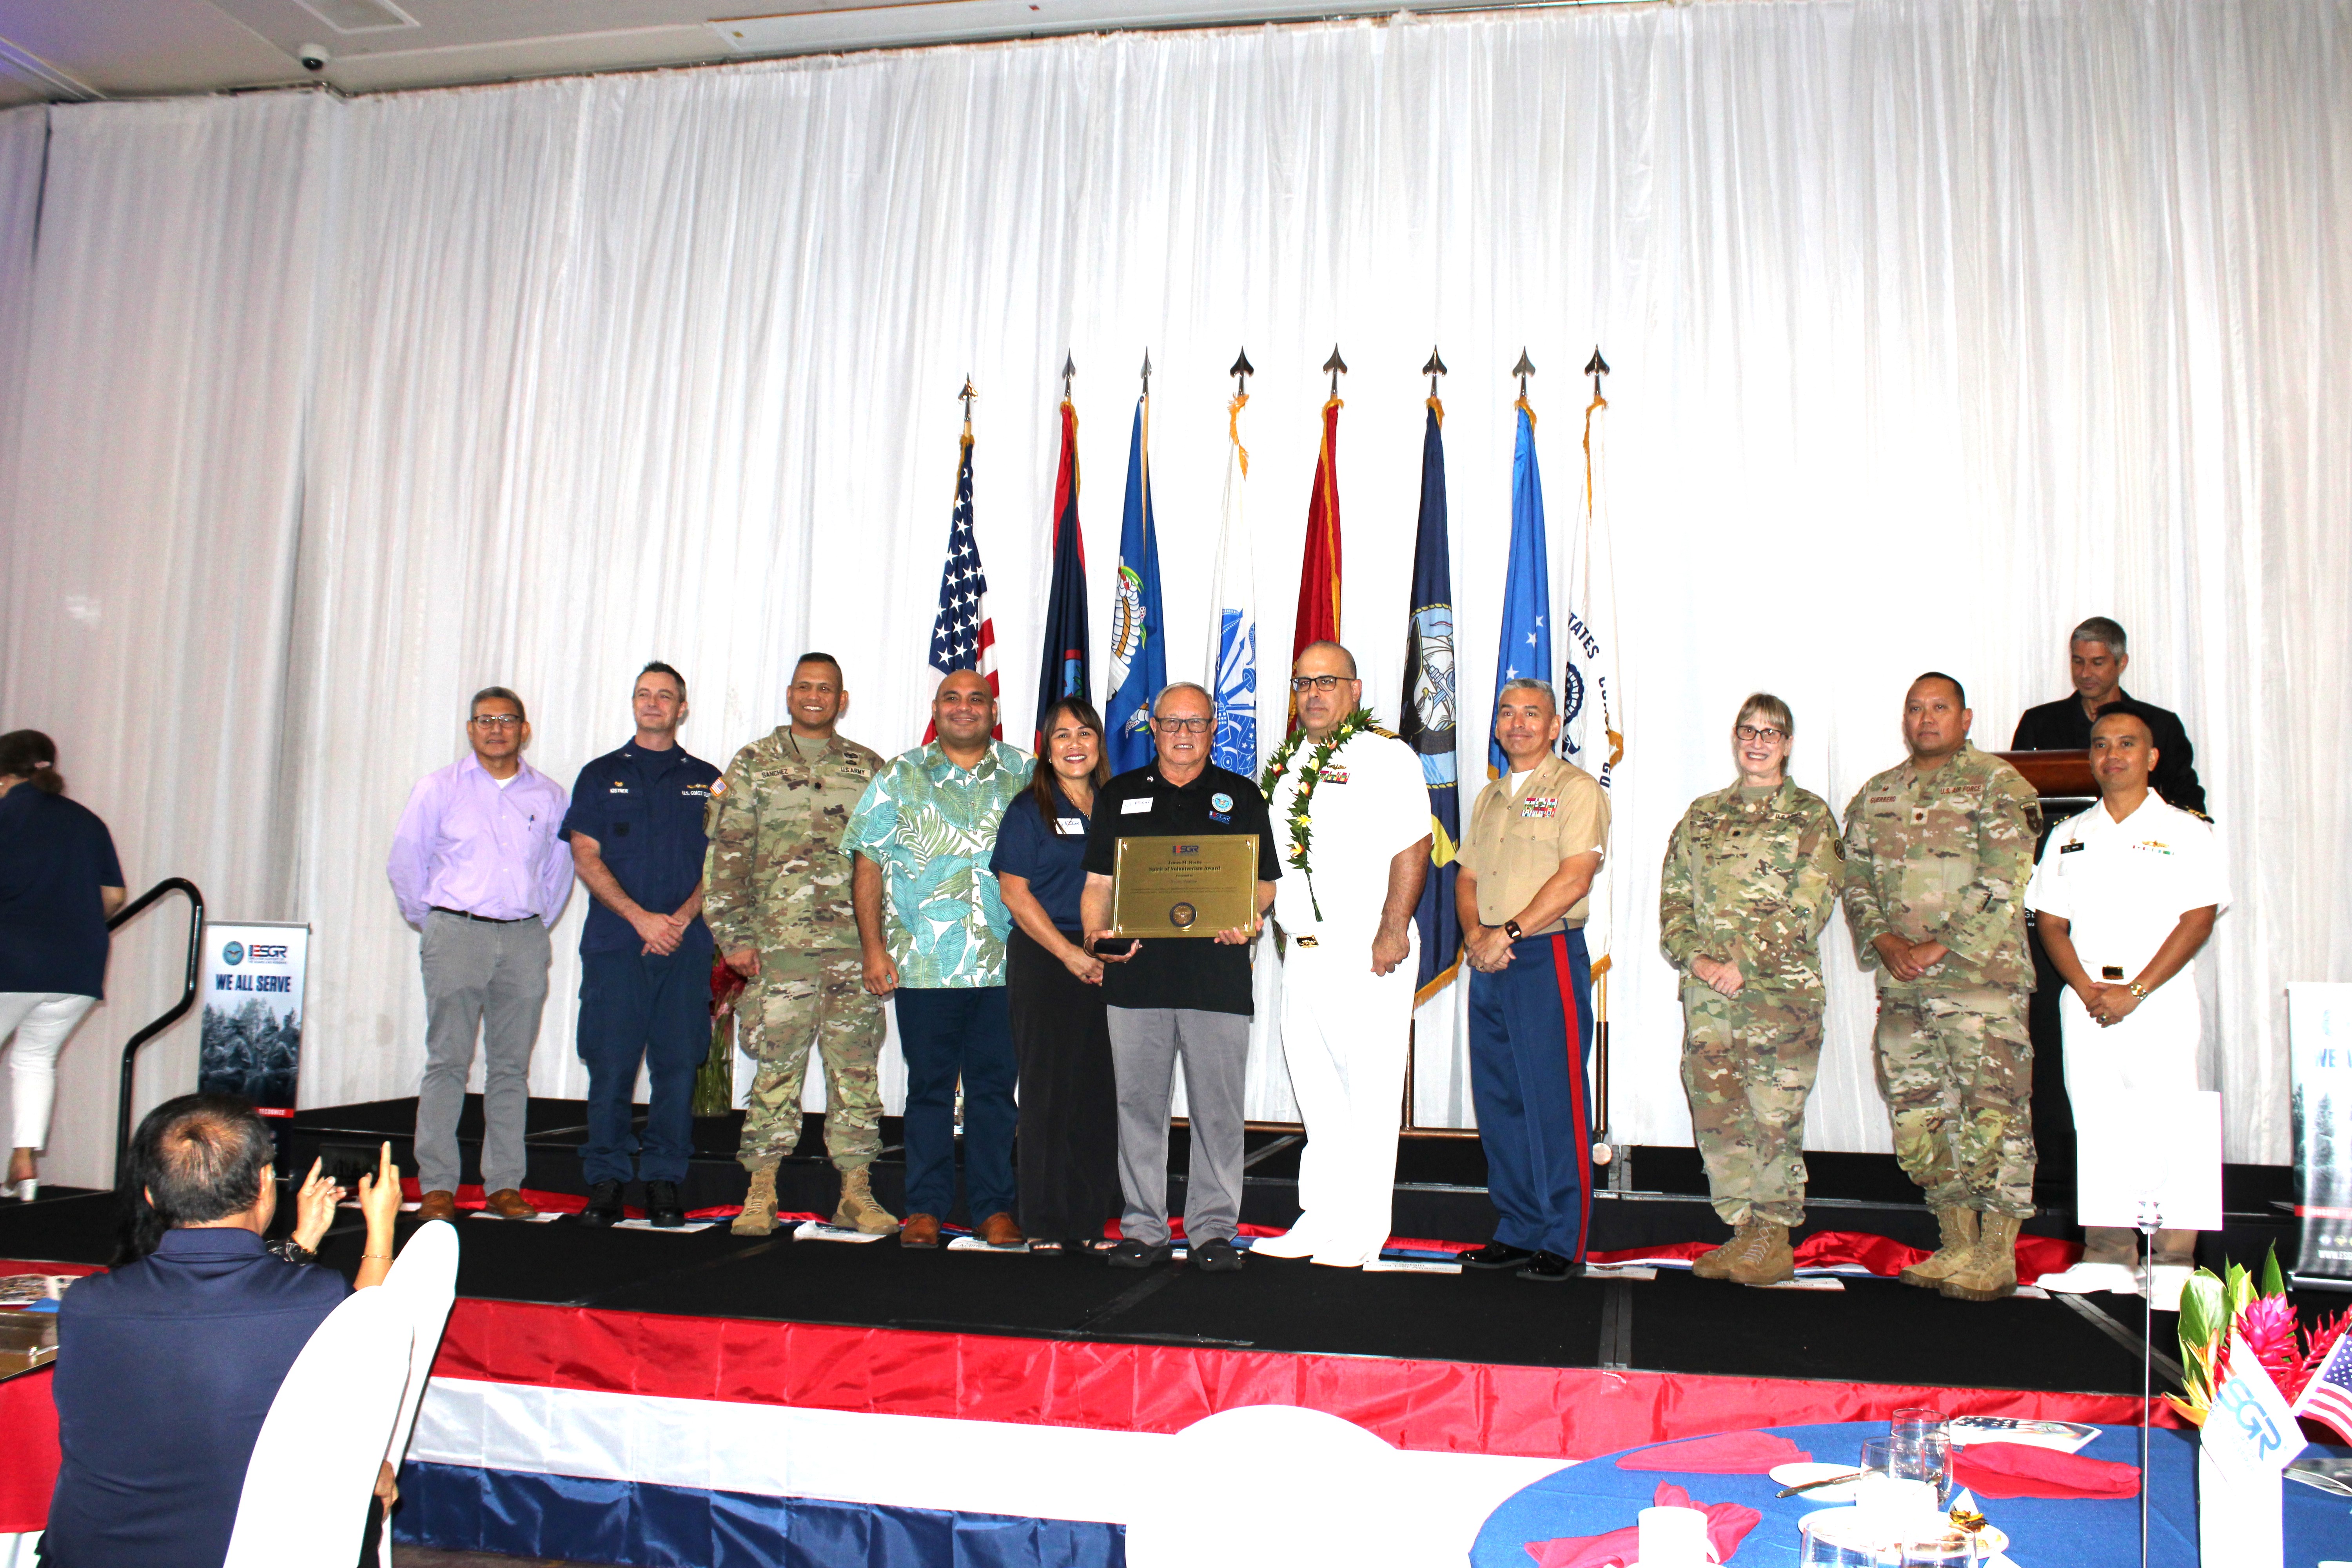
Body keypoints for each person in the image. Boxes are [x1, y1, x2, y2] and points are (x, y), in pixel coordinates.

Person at [47, 1094, 404, 1568]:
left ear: (152, 1195)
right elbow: (368, 1336)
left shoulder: (87, 1305)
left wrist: (301, 1244)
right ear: (263, 1183)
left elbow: (210, 1320)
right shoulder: (315, 1299)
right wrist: (382, 1226)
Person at [1842, 672, 2042, 1302]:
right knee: (1920, 1113)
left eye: (1940, 708)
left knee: (1995, 1114)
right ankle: (1956, 1241)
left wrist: (1937, 945)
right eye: (1915, 709)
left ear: (1966, 717)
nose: (1926, 719)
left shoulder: (1998, 785)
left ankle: (1996, 1253)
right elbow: (1853, 880)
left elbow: (2004, 879)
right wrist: (1887, 943)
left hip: (1981, 983)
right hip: (1905, 987)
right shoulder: (1877, 794)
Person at [2027, 704, 2227, 1293]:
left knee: (2169, 1120)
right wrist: (2087, 988)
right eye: (2101, 745)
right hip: (2086, 999)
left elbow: (2198, 919)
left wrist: (2136, 991)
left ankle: (2172, 1263)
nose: (2112, 756)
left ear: (2152, 757)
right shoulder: (2069, 835)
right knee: (2096, 1121)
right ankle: (2109, 1255)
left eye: (2127, 745)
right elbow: (2050, 923)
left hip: (2156, 999)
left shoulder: (2187, 831)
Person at [1080, 682, 1279, 1272]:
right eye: (1172, 724)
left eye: (1195, 724)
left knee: (1217, 1112)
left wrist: (1247, 918)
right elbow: (1098, 885)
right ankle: (1143, 1227)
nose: (1184, 735)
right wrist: (1096, 936)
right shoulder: (1119, 795)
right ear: (1154, 728)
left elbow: (1265, 882)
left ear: (1214, 729)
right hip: (1136, 981)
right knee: (1138, 1107)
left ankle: (1213, 1230)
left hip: (1215, 981)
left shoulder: (1241, 795)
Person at [1250, 642, 1430, 1269]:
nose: (1314, 694)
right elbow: (1274, 864)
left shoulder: (1386, 755)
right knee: (1317, 1093)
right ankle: (1320, 1217)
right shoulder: (1287, 765)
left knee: (1370, 1093)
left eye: (1328, 682)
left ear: (1354, 690)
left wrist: (1393, 927)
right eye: (1302, 683)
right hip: (1301, 951)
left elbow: (1414, 844)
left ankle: (1364, 1227)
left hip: (1367, 949)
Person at [702, 653, 893, 1237]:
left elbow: (887, 863)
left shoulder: (869, 769)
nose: (815, 697)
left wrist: (882, 947)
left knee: (856, 1074)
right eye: (806, 687)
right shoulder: (754, 765)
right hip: (776, 952)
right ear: (790, 695)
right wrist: (733, 939)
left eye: (827, 689)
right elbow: (726, 858)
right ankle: (760, 1192)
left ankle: (856, 1193)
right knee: (775, 1076)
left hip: (851, 953)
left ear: (843, 699)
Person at [1657, 695, 1844, 1287]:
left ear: (1788, 744)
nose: (1758, 742)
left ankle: (1775, 1235)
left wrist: (1742, 962)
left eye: (1771, 733)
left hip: (1777, 999)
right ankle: (1743, 1229)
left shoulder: (1811, 816)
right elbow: (1674, 903)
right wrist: (1702, 961)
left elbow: (1810, 904)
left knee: (1772, 1116)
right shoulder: (1703, 815)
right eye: (1748, 731)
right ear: (1735, 738)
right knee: (1719, 1114)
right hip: (1710, 1000)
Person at [847, 670, 1031, 1249]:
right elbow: (868, 864)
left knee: (995, 1092)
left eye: (976, 699)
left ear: (993, 709)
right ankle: (924, 1209)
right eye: (952, 698)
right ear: (936, 707)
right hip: (925, 965)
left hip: (1007, 965)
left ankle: (992, 1209)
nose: (964, 708)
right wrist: (874, 949)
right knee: (928, 1089)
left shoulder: (1027, 773)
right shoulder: (900, 775)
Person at [387, 686, 573, 1222]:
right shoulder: (438, 789)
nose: (496, 729)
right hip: (456, 934)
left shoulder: (550, 796)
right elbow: (406, 863)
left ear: (525, 729)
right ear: (471, 730)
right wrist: (437, 923)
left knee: (511, 1068)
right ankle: (440, 1184)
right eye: (485, 720)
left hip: (521, 939)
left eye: (507, 720)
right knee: (447, 1062)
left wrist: (529, 921)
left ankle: (504, 1185)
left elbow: (557, 876)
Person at [1454, 679, 1612, 1283]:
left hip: (1543, 956)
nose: (1517, 724)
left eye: (1532, 714)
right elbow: (1467, 877)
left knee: (1554, 1098)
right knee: (1500, 1100)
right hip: (1489, 958)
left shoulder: (1575, 791)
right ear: (1496, 727)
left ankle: (1563, 1238)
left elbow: (1577, 877)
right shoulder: (1491, 796)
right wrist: (1476, 936)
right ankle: (1517, 1228)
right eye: (1507, 713)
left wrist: (1509, 933)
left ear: (1554, 727)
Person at [561, 662, 720, 1228]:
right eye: (644, 695)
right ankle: (606, 1178)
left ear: (683, 708)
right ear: (634, 704)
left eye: (665, 696)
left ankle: (663, 1181)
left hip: (685, 945)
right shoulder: (600, 775)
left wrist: (676, 920)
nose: (653, 704)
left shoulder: (708, 778)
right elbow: (586, 855)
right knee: (611, 1065)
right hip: (617, 945)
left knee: (677, 1067)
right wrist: (640, 919)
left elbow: (719, 861)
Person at [990, 697, 1119, 1254]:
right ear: (1047, 746)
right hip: (1047, 961)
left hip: (1107, 963)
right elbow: (1014, 894)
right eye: (1062, 735)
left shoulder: (1117, 805)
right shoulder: (1029, 809)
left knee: (1098, 1094)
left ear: (1098, 744)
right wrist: (1069, 955)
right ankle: (1043, 1220)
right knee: (1047, 1093)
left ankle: (1088, 1223)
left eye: (1085, 734)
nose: (1074, 745)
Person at [0, 731, 126, 1201]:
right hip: (77, 968)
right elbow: (113, 897)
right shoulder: (86, 821)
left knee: (30, 1058)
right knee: (35, 1059)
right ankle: (25, 1161)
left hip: (10, 961)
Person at [2011, 616, 2205, 815]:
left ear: (2121, 663)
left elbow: (2186, 799)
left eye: (2098, 663)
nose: (2085, 673)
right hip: (2061, 839)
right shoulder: (2040, 723)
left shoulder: (2160, 725)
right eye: (2078, 662)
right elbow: (2014, 798)